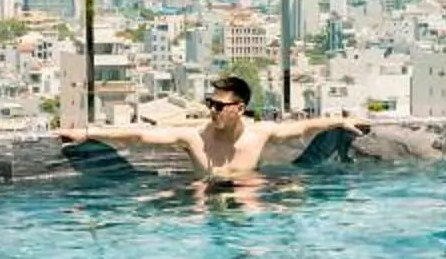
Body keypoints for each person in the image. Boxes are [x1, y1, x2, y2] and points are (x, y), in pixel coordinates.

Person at [59, 74, 368, 180]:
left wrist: (342, 121)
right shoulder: (194, 137)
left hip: (250, 197)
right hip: (205, 199)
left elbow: (303, 129)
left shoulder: (259, 133)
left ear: (240, 109)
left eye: (219, 106)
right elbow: (140, 135)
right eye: (210, 103)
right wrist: (86, 133)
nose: (212, 111)